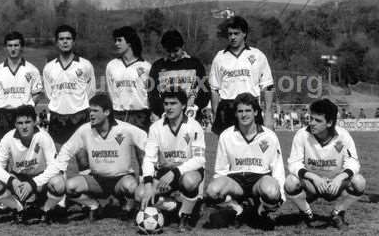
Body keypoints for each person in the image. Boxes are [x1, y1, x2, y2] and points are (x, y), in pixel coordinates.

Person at [41, 93, 147, 221]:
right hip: (96, 180)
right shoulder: (85, 130)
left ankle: (128, 204)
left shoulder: (125, 129)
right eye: (90, 111)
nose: (91, 114)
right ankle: (94, 205)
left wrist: (146, 176)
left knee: (131, 187)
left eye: (95, 111)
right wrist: (59, 171)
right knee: (69, 187)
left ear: (107, 112)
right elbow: (66, 150)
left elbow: (147, 143)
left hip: (120, 180)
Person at [206, 92, 285, 230]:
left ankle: (261, 211)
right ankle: (238, 208)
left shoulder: (269, 136)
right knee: (212, 190)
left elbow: (278, 167)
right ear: (235, 114)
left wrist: (281, 196)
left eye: (248, 110)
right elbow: (220, 170)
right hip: (236, 181)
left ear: (255, 112)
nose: (244, 115)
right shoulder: (226, 136)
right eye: (240, 111)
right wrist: (220, 193)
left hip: (260, 179)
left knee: (272, 192)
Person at [285, 98, 366, 229]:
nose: (312, 123)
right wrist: (314, 177)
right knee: (290, 182)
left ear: (329, 123)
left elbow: (353, 162)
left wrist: (340, 178)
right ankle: (306, 214)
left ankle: (337, 213)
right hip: (311, 185)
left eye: (318, 120)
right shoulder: (302, 135)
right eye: (311, 118)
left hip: (335, 184)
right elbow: (294, 163)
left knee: (359, 182)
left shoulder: (343, 136)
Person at [136, 90, 206, 232]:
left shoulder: (194, 126)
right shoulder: (156, 127)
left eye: (174, 103)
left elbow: (199, 159)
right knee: (140, 194)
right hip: (165, 171)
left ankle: (185, 216)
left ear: (184, 105)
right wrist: (148, 184)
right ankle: (175, 206)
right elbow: (149, 158)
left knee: (190, 181)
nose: (169, 107)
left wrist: (175, 171)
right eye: (166, 103)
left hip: (187, 171)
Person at [0, 105, 65, 224]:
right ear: (15, 124)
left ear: (35, 122)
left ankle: (45, 210)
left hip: (39, 181)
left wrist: (33, 184)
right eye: (20, 123)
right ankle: (18, 209)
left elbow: (54, 166)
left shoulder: (43, 136)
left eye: (28, 122)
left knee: (59, 183)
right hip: (18, 180)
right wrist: (12, 181)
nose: (24, 126)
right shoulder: (8, 138)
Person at [43, 24, 95, 173]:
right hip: (57, 117)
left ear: (74, 41)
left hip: (80, 116)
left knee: (83, 158)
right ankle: (60, 195)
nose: (65, 42)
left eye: (68, 38)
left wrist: (78, 105)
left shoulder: (85, 65)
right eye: (61, 39)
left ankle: (87, 193)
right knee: (58, 160)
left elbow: (90, 92)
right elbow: (49, 93)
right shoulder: (49, 67)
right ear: (56, 42)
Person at [209, 16, 274, 135]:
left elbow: (268, 86)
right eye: (229, 34)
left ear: (244, 33)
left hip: (250, 106)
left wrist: (268, 114)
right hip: (227, 108)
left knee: (254, 147)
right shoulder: (219, 57)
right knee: (227, 149)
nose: (232, 37)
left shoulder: (257, 55)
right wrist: (215, 114)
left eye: (236, 33)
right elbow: (214, 89)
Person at [0, 31, 43, 147]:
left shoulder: (32, 70)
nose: (13, 48)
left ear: (21, 47)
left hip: (24, 116)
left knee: (26, 153)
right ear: (5, 48)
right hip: (4, 116)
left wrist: (28, 107)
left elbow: (37, 94)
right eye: (10, 45)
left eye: (16, 45)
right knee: (3, 154)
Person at [148, 30, 209, 123]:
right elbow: (152, 94)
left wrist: (195, 107)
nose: (172, 55)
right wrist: (160, 110)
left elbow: (204, 91)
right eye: (168, 51)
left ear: (182, 47)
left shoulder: (195, 64)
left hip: (191, 116)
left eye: (176, 51)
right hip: (166, 115)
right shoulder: (157, 66)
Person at [106, 26, 151, 131]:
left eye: (119, 40)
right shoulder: (111, 65)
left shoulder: (146, 66)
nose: (116, 43)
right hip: (118, 115)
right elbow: (111, 91)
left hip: (140, 117)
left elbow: (150, 94)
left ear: (129, 42)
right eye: (115, 40)